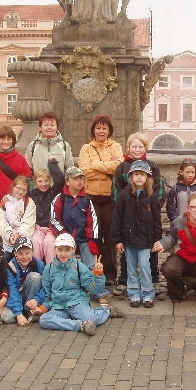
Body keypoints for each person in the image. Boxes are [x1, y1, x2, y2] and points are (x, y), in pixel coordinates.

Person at [38, 233, 124, 335]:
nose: (63, 254)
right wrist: (42, 308)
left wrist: (98, 275)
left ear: (73, 249)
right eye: (60, 250)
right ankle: (81, 325)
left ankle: (105, 311)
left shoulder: (79, 266)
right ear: (55, 249)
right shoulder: (48, 269)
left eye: (67, 250)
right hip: (58, 306)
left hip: (77, 303)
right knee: (44, 319)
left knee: (91, 318)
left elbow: (94, 289)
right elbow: (48, 295)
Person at [50, 166, 111, 306]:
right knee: (65, 265)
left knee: (91, 265)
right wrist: (63, 236)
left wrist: (92, 239)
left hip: (84, 238)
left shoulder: (87, 199)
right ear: (67, 181)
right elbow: (54, 219)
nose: (79, 181)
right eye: (75, 179)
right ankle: (66, 291)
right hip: (66, 239)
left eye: (81, 179)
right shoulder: (60, 198)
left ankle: (99, 292)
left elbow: (92, 220)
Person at [112, 132, 165, 288]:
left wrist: (152, 206)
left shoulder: (152, 166)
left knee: (149, 245)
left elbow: (159, 190)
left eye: (140, 146)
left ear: (145, 148)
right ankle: (125, 277)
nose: (137, 149)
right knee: (127, 247)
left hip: (147, 211)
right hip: (128, 213)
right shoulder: (122, 167)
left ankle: (152, 276)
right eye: (134, 146)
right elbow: (116, 190)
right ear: (128, 148)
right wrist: (123, 207)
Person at [78, 115, 124, 284]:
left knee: (111, 237)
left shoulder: (116, 146)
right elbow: (85, 170)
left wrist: (96, 164)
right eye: (98, 128)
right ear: (93, 130)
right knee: (95, 235)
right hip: (92, 197)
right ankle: (97, 270)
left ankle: (111, 274)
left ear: (109, 130)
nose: (101, 131)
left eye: (104, 128)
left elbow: (118, 167)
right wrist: (106, 168)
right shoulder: (86, 148)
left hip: (110, 198)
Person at [153, 193, 196, 304]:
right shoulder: (178, 221)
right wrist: (163, 243)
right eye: (193, 207)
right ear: (188, 208)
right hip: (182, 257)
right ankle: (177, 293)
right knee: (169, 269)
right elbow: (171, 236)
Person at [112, 161, 162, 308]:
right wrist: (118, 240)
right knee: (131, 267)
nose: (139, 177)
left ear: (147, 177)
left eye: (142, 174)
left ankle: (147, 293)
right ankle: (134, 293)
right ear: (131, 177)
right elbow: (117, 218)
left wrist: (157, 240)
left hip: (146, 240)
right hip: (129, 239)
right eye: (136, 174)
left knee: (145, 266)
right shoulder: (124, 195)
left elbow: (156, 220)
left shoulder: (151, 197)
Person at [1, 237, 46, 326]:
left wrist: (36, 299)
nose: (24, 257)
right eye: (20, 253)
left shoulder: (38, 264)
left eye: (27, 253)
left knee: (35, 277)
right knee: (7, 317)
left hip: (32, 298)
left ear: (32, 252)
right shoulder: (11, 266)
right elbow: (12, 290)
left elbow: (46, 286)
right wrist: (18, 313)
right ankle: (24, 313)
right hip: (18, 297)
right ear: (15, 253)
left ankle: (30, 310)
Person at [0, 126, 32, 202]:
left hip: (16, 204)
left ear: (13, 141)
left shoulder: (20, 159)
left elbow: (28, 182)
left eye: (9, 139)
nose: (6, 142)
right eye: (2, 139)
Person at [0, 175, 36, 259]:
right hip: (7, 236)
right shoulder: (5, 201)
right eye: (18, 188)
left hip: (22, 236)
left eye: (24, 190)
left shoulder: (29, 202)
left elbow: (28, 222)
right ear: (13, 187)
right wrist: (9, 235)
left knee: (21, 258)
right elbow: (1, 220)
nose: (21, 192)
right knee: (2, 257)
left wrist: (18, 234)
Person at [25, 111, 74, 178]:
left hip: (58, 184)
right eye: (46, 125)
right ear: (40, 127)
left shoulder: (64, 146)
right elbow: (27, 170)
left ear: (57, 127)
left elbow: (70, 170)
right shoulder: (32, 146)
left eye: (52, 125)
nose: (49, 127)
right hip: (39, 184)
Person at [29, 167, 61, 264]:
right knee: (35, 241)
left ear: (50, 181)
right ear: (35, 182)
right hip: (37, 227)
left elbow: (60, 180)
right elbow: (17, 195)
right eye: (40, 181)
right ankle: (37, 268)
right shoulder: (31, 194)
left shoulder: (54, 192)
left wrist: (52, 164)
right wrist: (6, 198)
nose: (43, 184)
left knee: (49, 242)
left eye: (46, 180)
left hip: (51, 227)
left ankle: (51, 268)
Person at [166, 157, 196, 223]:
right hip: (180, 223)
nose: (190, 175)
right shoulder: (175, 189)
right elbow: (170, 208)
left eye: (193, 172)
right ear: (181, 172)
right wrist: (176, 221)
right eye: (187, 172)